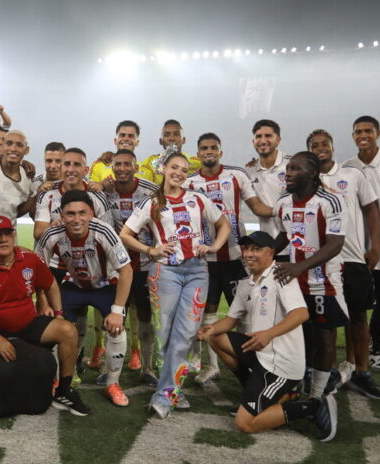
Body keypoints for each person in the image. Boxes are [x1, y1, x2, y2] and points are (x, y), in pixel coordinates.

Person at [197, 231, 338, 442]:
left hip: (281, 363)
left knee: (245, 423)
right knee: (216, 338)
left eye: (256, 249)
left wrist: (268, 334)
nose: (249, 254)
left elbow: (301, 314)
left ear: (271, 253)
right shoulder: (246, 283)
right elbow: (230, 320)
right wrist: (208, 330)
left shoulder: (281, 276)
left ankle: (313, 406)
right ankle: (254, 392)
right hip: (261, 353)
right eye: (246, 249)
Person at [119, 152, 230, 418]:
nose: (179, 173)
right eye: (174, 167)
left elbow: (223, 224)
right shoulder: (151, 203)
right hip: (164, 272)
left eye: (183, 169)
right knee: (164, 334)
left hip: (197, 271)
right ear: (164, 169)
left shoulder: (198, 199)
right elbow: (125, 234)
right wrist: (150, 249)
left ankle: (164, 395)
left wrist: (214, 247)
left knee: (186, 332)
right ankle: (174, 391)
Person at [0, 215, 89, 421]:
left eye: (7, 234)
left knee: (68, 330)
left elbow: (50, 284)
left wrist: (58, 314)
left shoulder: (30, 259)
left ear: (14, 236)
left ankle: (64, 391)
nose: (3, 239)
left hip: (27, 325)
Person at [184, 133, 274, 384]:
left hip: (236, 258)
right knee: (208, 313)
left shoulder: (236, 175)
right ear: (198, 154)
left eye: (214, 147)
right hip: (205, 261)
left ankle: (251, 365)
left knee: (244, 314)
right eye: (204, 148)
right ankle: (211, 367)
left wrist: (284, 208)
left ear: (220, 152)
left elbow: (256, 206)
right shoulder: (189, 182)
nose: (209, 151)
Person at [36, 190, 133, 407]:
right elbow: (39, 270)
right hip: (75, 285)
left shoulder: (104, 231)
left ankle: (112, 383)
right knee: (54, 326)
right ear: (62, 215)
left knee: (116, 328)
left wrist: (117, 311)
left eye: (82, 213)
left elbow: (126, 270)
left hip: (107, 285)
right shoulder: (52, 234)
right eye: (70, 214)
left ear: (91, 214)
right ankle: (58, 379)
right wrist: (43, 300)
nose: (76, 219)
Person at [310, 129, 380, 399]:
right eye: (315, 145)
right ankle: (326, 372)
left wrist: (375, 246)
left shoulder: (352, 174)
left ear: (332, 147)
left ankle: (361, 372)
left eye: (324, 144)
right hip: (322, 260)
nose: (321, 148)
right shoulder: (307, 178)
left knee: (358, 317)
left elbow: (371, 209)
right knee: (324, 321)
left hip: (352, 257)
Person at [272, 151, 349, 403]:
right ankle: (295, 384)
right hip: (293, 281)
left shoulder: (331, 201)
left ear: (313, 173)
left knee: (324, 335)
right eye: (288, 168)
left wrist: (300, 266)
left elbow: (335, 244)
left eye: (295, 169)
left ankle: (316, 395)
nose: (288, 173)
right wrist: (267, 254)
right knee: (295, 336)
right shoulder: (283, 202)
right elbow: (285, 234)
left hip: (323, 282)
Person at [343, 116, 380, 398]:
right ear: (353, 135)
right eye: (358, 132)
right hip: (358, 253)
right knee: (355, 311)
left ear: (378, 132)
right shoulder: (348, 167)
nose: (363, 135)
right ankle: (352, 365)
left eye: (368, 131)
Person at [101, 149, 159, 382]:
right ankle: (109, 371)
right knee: (115, 315)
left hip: (145, 263)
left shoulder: (151, 190)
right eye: (118, 164)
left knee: (145, 314)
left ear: (136, 167)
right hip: (116, 265)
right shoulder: (105, 190)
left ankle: (147, 368)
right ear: (112, 167)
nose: (122, 168)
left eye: (127, 164)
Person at [244, 119, 291, 261]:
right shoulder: (249, 170)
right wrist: (284, 212)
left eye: (268, 136)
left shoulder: (293, 164)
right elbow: (256, 208)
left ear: (278, 140)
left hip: (296, 246)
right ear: (253, 141)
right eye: (258, 136)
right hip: (269, 248)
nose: (263, 140)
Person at [137, 119, 201, 184]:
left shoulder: (196, 163)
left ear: (183, 140)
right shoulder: (149, 163)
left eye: (176, 134)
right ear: (161, 141)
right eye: (167, 135)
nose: (171, 138)